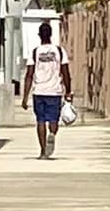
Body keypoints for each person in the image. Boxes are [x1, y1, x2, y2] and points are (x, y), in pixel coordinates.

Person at [21, 20, 72, 159]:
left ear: (39, 35)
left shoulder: (35, 52)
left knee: (40, 120)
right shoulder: (59, 51)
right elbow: (66, 73)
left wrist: (25, 97)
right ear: (50, 34)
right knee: (54, 119)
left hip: (39, 91)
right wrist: (68, 91)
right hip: (55, 91)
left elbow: (29, 75)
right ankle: (52, 134)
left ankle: (43, 152)